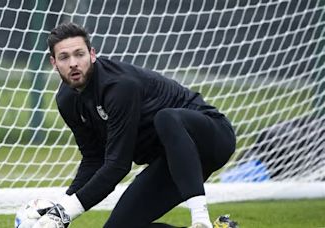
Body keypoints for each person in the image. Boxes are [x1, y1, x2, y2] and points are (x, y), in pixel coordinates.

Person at [45, 22, 236, 228]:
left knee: (166, 118)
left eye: (79, 54)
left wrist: (65, 214)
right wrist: (58, 211)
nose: (73, 63)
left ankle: (201, 220)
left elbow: (118, 165)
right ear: (54, 63)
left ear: (92, 54)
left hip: (211, 138)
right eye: (64, 57)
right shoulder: (66, 100)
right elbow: (94, 159)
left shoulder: (119, 86)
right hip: (171, 161)